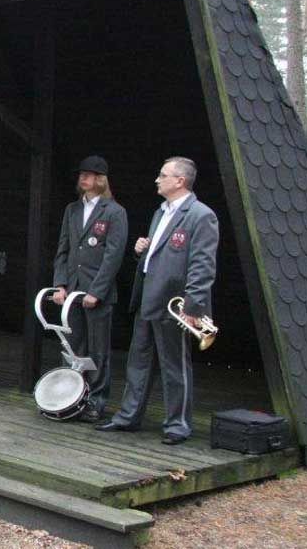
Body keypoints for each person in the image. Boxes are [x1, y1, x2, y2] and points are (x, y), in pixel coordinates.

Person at [97, 156, 219, 445]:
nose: (157, 179)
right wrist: (142, 251)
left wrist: (193, 306)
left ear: (180, 181)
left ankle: (178, 425)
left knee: (174, 366)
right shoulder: (160, 212)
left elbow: (202, 265)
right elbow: (160, 255)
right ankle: (128, 416)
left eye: (163, 175)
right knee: (138, 362)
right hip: (148, 298)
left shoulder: (201, 215)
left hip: (174, 302)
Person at [51, 155, 128, 423]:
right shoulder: (72, 209)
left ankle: (96, 400)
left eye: (89, 174)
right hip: (71, 290)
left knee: (97, 349)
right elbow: (63, 249)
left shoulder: (114, 212)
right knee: (71, 346)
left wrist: (97, 291)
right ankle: (68, 397)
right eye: (81, 174)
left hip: (97, 293)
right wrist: (60, 284)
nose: (83, 178)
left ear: (100, 179)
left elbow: (113, 256)